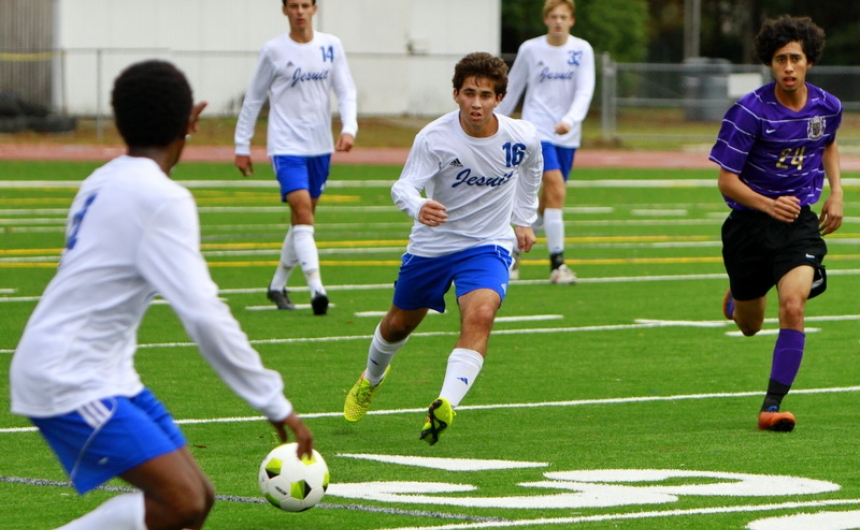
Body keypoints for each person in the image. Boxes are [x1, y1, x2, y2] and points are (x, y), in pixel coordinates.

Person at [9, 60, 313, 530]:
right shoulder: (161, 198)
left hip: (106, 373)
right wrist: (273, 401)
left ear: (118, 120)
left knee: (199, 499)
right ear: (191, 120)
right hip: (68, 377)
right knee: (182, 501)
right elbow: (203, 313)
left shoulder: (102, 178)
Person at [342, 52, 543, 445]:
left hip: (488, 245)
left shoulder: (522, 137)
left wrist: (524, 219)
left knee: (481, 315)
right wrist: (418, 205)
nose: (476, 103)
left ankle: (444, 404)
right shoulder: (434, 137)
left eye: (486, 95)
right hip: (433, 247)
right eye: (469, 93)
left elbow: (531, 169)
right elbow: (402, 186)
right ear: (455, 94)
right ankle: (372, 378)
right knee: (399, 323)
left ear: (499, 98)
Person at [710, 15, 843, 433]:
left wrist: (837, 191)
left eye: (796, 58)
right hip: (749, 225)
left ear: (809, 61)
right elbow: (726, 181)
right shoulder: (749, 111)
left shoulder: (828, 106)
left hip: (798, 223)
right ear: (770, 63)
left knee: (793, 304)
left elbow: (828, 144)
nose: (788, 67)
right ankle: (738, 299)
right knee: (750, 326)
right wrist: (768, 204)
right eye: (780, 59)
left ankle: (772, 406)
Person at [234, 0, 358, 315]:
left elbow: (345, 91)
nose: (299, 11)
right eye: (293, 5)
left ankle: (277, 286)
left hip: (320, 146)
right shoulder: (273, 50)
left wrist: (349, 128)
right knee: (303, 212)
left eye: (305, 5)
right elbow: (254, 98)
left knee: (303, 220)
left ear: (314, 9)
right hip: (285, 146)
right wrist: (242, 145)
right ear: (284, 10)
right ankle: (317, 289)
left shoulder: (331, 46)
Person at [495, 0, 595, 284]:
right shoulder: (531, 49)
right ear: (546, 20)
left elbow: (585, 90)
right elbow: (513, 87)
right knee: (556, 189)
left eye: (564, 16)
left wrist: (570, 120)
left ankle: (513, 253)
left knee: (549, 200)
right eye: (553, 16)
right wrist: (495, 121)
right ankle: (558, 265)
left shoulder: (582, 49)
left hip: (567, 134)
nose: (559, 21)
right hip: (536, 131)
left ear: (572, 20)